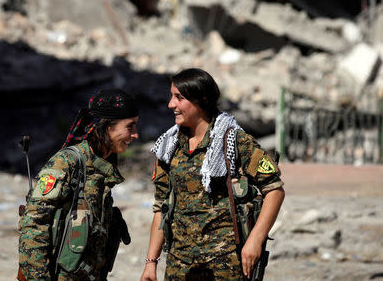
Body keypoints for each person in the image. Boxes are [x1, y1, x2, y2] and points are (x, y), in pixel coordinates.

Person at [140, 68, 285, 281]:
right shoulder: (168, 147)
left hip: (226, 263)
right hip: (180, 264)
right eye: (172, 97)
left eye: (179, 98)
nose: (171, 104)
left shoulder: (235, 141)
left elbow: (274, 190)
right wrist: (151, 263)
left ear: (202, 100)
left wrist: (255, 240)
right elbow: (161, 206)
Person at [18, 89, 140, 280]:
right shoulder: (67, 163)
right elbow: (34, 224)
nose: (135, 135)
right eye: (130, 127)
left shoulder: (102, 167)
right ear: (107, 127)